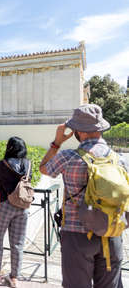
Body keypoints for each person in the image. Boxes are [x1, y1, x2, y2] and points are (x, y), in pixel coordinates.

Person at [39, 104, 129, 288]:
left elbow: (43, 168)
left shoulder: (68, 156)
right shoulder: (120, 159)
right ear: (100, 128)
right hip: (112, 234)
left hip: (76, 236)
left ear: (78, 131)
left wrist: (57, 142)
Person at [0, 137, 32, 288]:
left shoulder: (3, 164)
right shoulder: (28, 164)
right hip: (23, 206)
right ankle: (14, 277)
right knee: (18, 243)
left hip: (5, 205)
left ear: (10, 148)